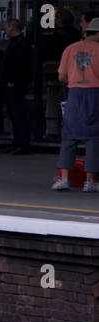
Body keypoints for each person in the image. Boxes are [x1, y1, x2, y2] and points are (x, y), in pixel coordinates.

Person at [51, 19, 99, 192]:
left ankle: (64, 178)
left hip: (74, 93)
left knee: (69, 136)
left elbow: (61, 76)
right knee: (94, 138)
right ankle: (90, 181)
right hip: (95, 93)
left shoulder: (69, 49)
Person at [2, 19, 32, 154]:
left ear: (13, 29)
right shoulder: (16, 42)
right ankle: (17, 142)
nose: (5, 31)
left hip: (15, 84)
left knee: (18, 114)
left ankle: (22, 144)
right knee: (14, 114)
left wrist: (13, 80)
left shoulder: (20, 43)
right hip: (11, 82)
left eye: (7, 28)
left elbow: (20, 64)